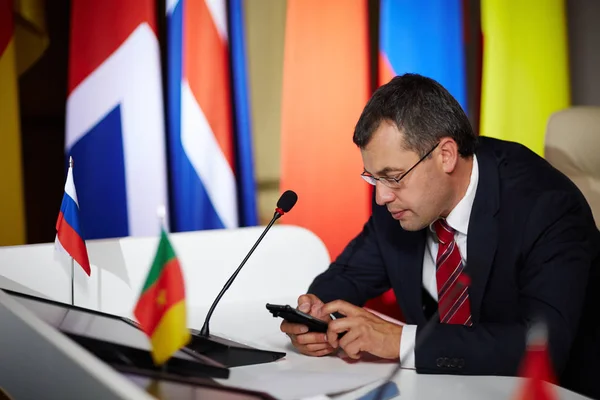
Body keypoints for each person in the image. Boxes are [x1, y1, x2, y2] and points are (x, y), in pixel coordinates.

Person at [280, 73, 600, 399]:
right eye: (373, 179)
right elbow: (347, 276)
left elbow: (542, 347)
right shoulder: (399, 200)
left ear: (445, 155)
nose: (381, 197)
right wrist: (316, 316)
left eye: (392, 177)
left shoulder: (546, 205)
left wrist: (401, 341)